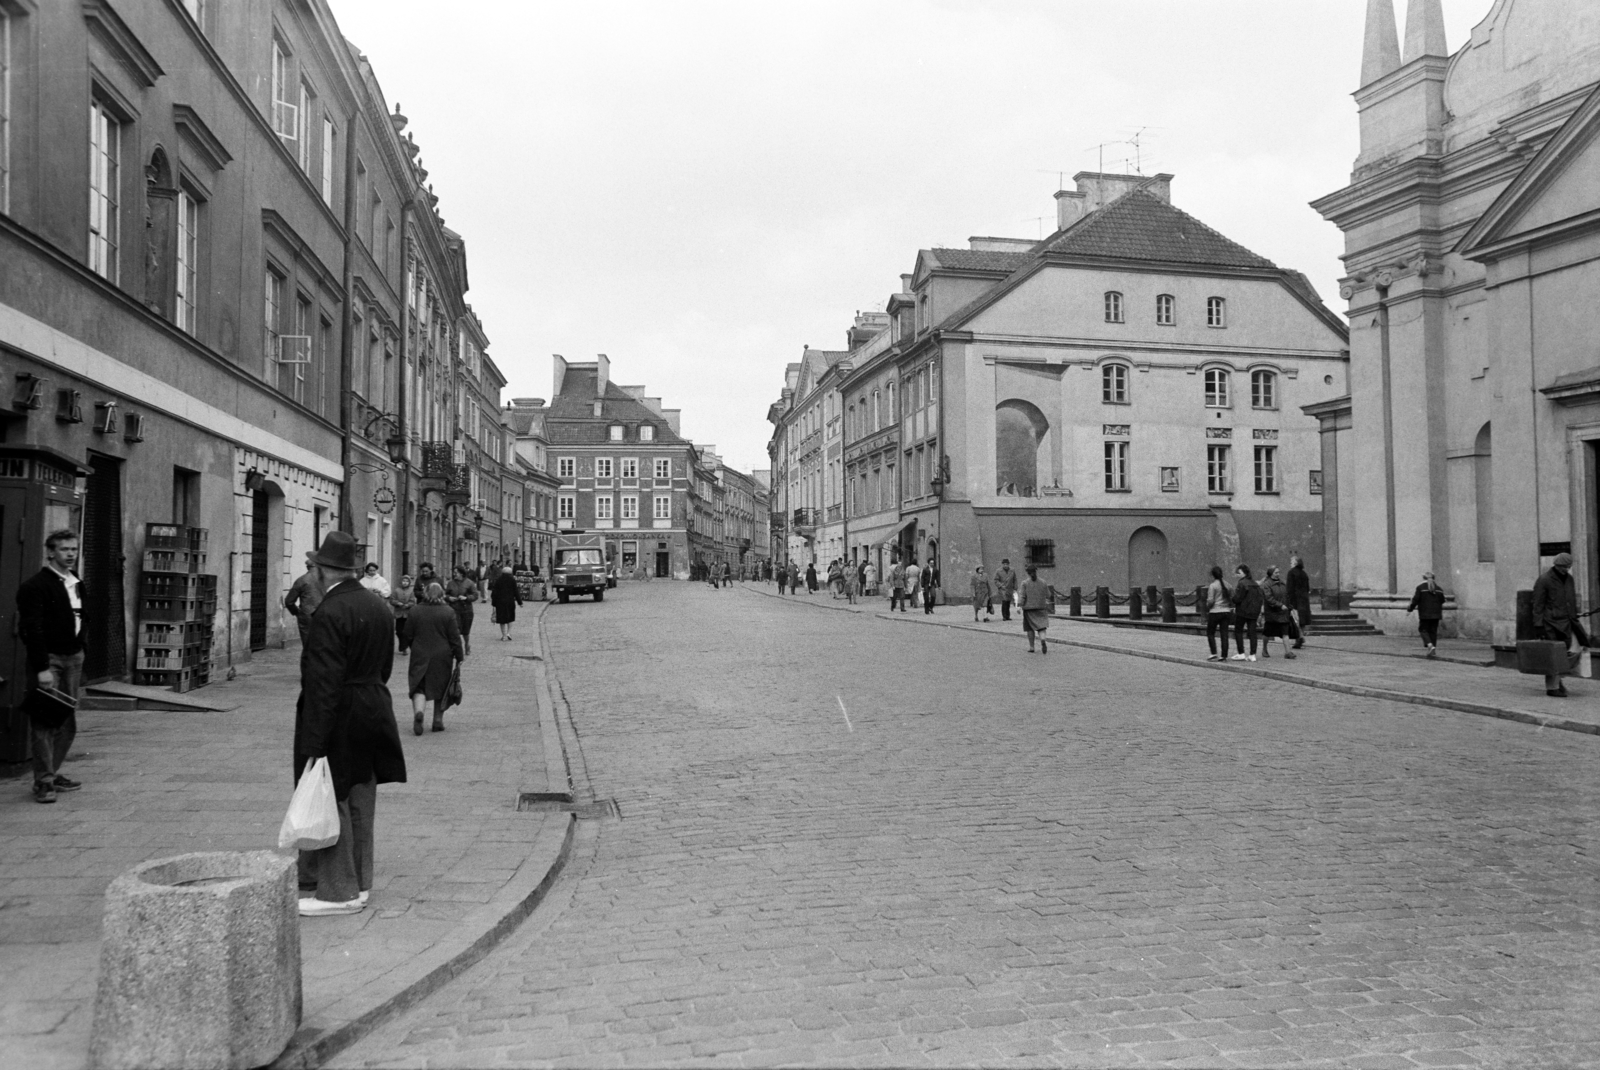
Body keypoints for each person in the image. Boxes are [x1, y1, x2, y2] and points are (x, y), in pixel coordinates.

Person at [293, 531, 406, 917]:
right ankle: (359, 882)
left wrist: (314, 741)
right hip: (373, 706)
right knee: (361, 798)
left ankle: (337, 891)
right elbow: (387, 667)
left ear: (324, 571)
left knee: (332, 794)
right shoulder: (377, 606)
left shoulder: (329, 612)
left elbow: (322, 682)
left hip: (339, 711)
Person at [17, 529, 87, 804]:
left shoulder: (77, 582)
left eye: (74, 549)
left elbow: (83, 618)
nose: (70, 554)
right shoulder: (35, 586)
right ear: (50, 552)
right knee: (45, 721)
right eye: (64, 549)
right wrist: (42, 667)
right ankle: (43, 781)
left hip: (74, 657)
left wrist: (82, 647)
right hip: (50, 660)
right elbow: (30, 628)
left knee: (68, 722)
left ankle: (50, 772)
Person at [401, 582, 464, 734]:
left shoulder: (415, 610)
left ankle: (419, 712)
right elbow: (454, 637)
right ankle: (437, 721)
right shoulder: (448, 612)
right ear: (442, 594)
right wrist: (459, 655)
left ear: (425, 593)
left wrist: (407, 646)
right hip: (442, 655)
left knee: (419, 685)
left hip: (420, 652)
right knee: (441, 687)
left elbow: (407, 633)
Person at [1532, 552, 1590, 697]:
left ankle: (1559, 680)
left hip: (1569, 622)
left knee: (1574, 649)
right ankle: (1552, 688)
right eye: (1563, 566)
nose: (1566, 569)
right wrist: (1538, 625)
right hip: (1551, 623)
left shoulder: (1569, 579)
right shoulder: (1544, 580)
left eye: (1568, 566)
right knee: (1554, 655)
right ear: (1556, 565)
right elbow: (1538, 604)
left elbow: (1571, 599)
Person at [284, 554, 326, 646]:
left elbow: (289, 601)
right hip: (325, 615)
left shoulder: (302, 580)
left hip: (307, 616)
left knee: (308, 645)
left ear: (308, 567)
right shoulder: (327, 580)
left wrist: (297, 612)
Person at [1405, 571, 1447, 659]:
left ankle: (1429, 645)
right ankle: (1433, 650)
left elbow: (1415, 600)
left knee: (1423, 629)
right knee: (1433, 631)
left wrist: (1409, 609)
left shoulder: (1420, 588)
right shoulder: (1439, 588)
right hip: (1436, 614)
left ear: (1423, 578)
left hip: (1425, 613)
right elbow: (1442, 600)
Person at [1259, 566, 1297, 660]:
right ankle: (1264, 649)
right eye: (1276, 572)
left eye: (1278, 572)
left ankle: (1288, 652)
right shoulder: (1266, 584)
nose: (1278, 574)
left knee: (1285, 632)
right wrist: (1280, 605)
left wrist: (1290, 607)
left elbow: (1287, 596)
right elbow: (1269, 599)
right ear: (1271, 573)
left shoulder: (1282, 583)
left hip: (1283, 613)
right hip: (1272, 613)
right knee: (1267, 633)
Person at [1229, 565, 1263, 662]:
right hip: (1254, 612)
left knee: (1238, 630)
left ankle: (1241, 653)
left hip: (1242, 611)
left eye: (1239, 573)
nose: (1237, 575)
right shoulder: (1255, 584)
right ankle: (1253, 654)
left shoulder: (1242, 583)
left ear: (1244, 573)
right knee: (1252, 633)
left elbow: (1237, 598)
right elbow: (1260, 598)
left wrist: (1232, 599)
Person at [1019, 565, 1055, 653]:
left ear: (1027, 573)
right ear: (1036, 571)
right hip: (1041, 608)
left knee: (1029, 628)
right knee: (1042, 627)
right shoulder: (1043, 582)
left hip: (1028, 609)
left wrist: (1020, 606)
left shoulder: (1025, 583)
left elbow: (1022, 596)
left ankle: (1032, 647)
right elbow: (1048, 595)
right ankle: (1043, 640)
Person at [445, 565, 478, 657]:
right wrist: (449, 598)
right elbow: (445, 594)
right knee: (455, 631)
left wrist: (466, 598)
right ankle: (456, 648)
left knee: (465, 631)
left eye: (456, 573)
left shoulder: (469, 583)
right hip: (453, 610)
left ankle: (467, 644)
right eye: (453, 572)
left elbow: (475, 595)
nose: (454, 574)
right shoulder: (450, 583)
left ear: (462, 574)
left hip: (466, 610)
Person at [1202, 565, 1233, 661]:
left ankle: (1213, 652)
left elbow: (1210, 601)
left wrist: (1208, 606)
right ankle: (1224, 655)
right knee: (1224, 634)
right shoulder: (1228, 585)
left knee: (1210, 632)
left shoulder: (1213, 586)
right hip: (1226, 611)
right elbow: (1232, 597)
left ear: (1213, 575)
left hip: (1215, 611)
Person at [490, 564, 523, 642]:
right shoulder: (512, 580)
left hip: (500, 602)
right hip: (510, 602)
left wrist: (494, 603)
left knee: (502, 619)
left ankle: (504, 635)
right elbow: (516, 592)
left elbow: (494, 593)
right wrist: (520, 602)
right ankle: (508, 633)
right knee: (510, 618)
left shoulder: (498, 580)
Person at [1286, 554, 1312, 649]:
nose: (1290, 563)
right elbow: (1308, 588)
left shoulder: (1291, 573)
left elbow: (1289, 588)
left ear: (1295, 563)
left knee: (1295, 619)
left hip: (1295, 599)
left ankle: (1299, 637)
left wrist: (1288, 600)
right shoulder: (1304, 573)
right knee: (1302, 620)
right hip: (1304, 599)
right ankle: (1301, 637)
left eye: (1291, 562)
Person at [387, 574, 416, 645]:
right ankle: (402, 644)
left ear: (409, 583)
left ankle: (404, 646)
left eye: (407, 581)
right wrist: (397, 603)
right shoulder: (396, 590)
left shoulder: (411, 591)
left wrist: (408, 605)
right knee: (399, 631)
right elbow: (392, 600)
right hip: (399, 614)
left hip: (407, 614)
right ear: (401, 582)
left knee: (406, 631)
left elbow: (413, 601)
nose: (405, 582)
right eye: (403, 581)